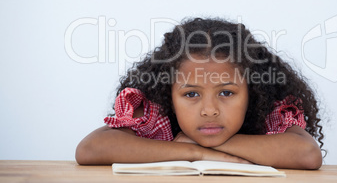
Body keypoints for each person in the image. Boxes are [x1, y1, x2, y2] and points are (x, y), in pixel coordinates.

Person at [75, 17, 324, 169]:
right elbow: (90, 149)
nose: (209, 110)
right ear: (168, 95)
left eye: (226, 93)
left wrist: (219, 146)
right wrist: (196, 151)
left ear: (252, 92)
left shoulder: (269, 111)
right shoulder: (154, 114)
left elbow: (307, 154)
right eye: (191, 94)